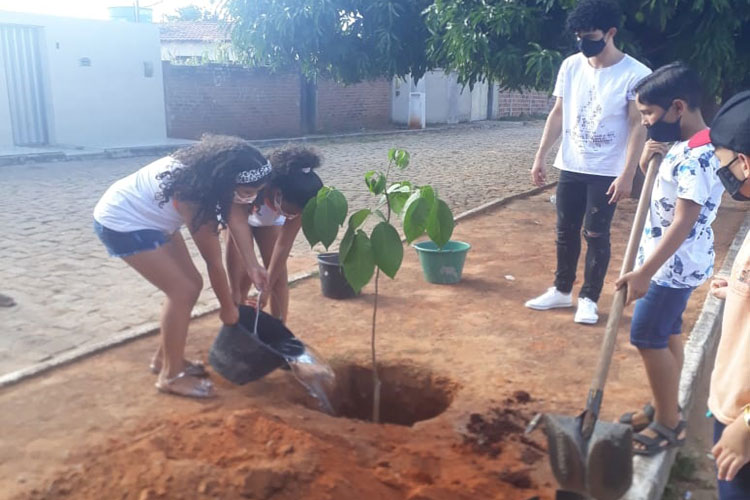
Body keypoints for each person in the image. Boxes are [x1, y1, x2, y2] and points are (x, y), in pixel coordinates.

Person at [93, 135, 272, 398]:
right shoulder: (192, 193)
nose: (251, 199)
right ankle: (171, 376)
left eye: (257, 191)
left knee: (192, 285)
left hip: (152, 218)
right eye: (247, 193)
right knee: (182, 291)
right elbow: (214, 262)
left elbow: (237, 217)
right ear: (226, 183)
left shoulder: (215, 177)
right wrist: (228, 309)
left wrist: (253, 264)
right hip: (123, 222)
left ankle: (164, 360)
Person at [614, 63, 724, 455]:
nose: (645, 123)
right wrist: (647, 164)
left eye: (649, 114)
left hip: (671, 265)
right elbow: (666, 192)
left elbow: (683, 221)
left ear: (678, 107)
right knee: (669, 332)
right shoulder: (686, 143)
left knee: (646, 335)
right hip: (671, 261)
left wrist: (645, 272)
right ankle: (669, 405)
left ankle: (667, 425)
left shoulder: (698, 157)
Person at [526, 0, 651, 325]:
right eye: (579, 36)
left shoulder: (635, 74)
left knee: (596, 234)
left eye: (591, 36)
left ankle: (589, 298)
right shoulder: (571, 66)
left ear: (611, 33)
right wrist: (541, 155)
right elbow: (558, 112)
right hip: (571, 163)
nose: (584, 43)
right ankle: (561, 289)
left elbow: (638, 124)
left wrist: (627, 174)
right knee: (565, 231)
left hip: (607, 170)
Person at [706, 90, 750, 498]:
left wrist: (747, 425)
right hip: (733, 409)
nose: (725, 177)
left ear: (746, 163)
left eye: (724, 166)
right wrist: (737, 293)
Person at [226, 145, 323, 323]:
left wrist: (267, 289)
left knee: (278, 277)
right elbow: (234, 240)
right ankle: (238, 319)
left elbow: (283, 245)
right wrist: (235, 291)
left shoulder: (302, 200)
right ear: (277, 194)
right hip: (240, 220)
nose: (292, 217)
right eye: (290, 212)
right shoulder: (251, 189)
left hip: (267, 223)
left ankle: (279, 328)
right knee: (242, 276)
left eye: (296, 215)